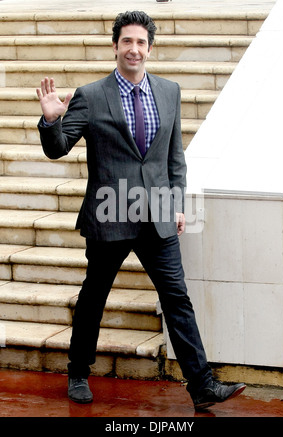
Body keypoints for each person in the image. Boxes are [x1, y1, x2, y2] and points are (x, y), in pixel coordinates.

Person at [36, 10, 245, 411]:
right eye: (127, 41)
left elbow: (174, 157)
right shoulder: (91, 95)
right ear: (115, 46)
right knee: (94, 297)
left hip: (157, 216)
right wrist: (50, 122)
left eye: (141, 42)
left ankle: (201, 386)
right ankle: (78, 372)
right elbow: (58, 148)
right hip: (109, 214)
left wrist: (176, 204)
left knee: (177, 298)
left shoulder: (169, 91)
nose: (134, 48)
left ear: (150, 47)